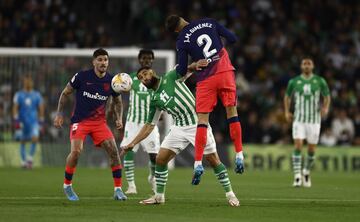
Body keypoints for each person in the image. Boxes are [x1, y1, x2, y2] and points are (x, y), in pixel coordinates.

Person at [121, 61, 240, 207]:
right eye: (140, 77)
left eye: (145, 74)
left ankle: (230, 195)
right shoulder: (154, 100)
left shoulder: (171, 76)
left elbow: (187, 68)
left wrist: (195, 65)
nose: (143, 78)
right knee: (160, 159)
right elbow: (149, 126)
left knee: (213, 160)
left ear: (152, 72)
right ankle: (159, 197)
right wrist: (132, 143)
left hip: (197, 124)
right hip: (178, 128)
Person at [165, 15, 244, 185]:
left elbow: (179, 71)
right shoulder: (209, 22)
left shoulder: (181, 39)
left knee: (202, 120)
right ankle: (239, 155)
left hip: (206, 79)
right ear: (182, 19)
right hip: (225, 72)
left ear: (176, 30)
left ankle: (198, 163)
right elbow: (233, 38)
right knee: (232, 113)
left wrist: (193, 65)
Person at [53, 48, 127, 201]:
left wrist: (118, 118)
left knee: (114, 152)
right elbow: (65, 93)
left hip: (99, 123)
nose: (103, 63)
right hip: (80, 121)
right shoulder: (82, 76)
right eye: (99, 60)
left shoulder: (112, 81)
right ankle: (67, 185)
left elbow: (118, 101)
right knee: (76, 152)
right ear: (93, 62)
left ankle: (118, 190)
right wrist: (59, 113)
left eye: (105, 60)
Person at [284, 57, 331, 187]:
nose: (306, 66)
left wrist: (326, 107)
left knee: (311, 150)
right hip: (299, 119)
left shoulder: (319, 81)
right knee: (298, 145)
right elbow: (287, 96)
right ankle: (297, 176)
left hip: (314, 120)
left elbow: (327, 96)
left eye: (309, 63)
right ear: (301, 66)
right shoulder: (294, 81)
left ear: (313, 66)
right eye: (304, 63)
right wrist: (287, 111)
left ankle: (306, 171)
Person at [121, 49, 160, 194]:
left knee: (154, 155)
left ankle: (153, 177)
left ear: (152, 60)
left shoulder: (157, 80)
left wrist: (161, 112)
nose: (147, 61)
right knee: (128, 152)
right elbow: (119, 92)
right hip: (132, 123)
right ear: (139, 60)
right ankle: (131, 186)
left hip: (150, 123)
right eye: (144, 58)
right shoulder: (131, 79)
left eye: (150, 58)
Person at [12, 75, 44, 169]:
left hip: (33, 122)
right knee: (22, 141)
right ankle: (23, 161)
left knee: (35, 138)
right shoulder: (19, 94)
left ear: (32, 82)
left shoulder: (37, 94)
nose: (28, 82)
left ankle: (29, 159)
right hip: (22, 122)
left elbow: (41, 107)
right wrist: (16, 119)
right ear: (24, 82)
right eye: (26, 81)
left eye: (30, 81)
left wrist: (41, 121)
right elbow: (15, 107)